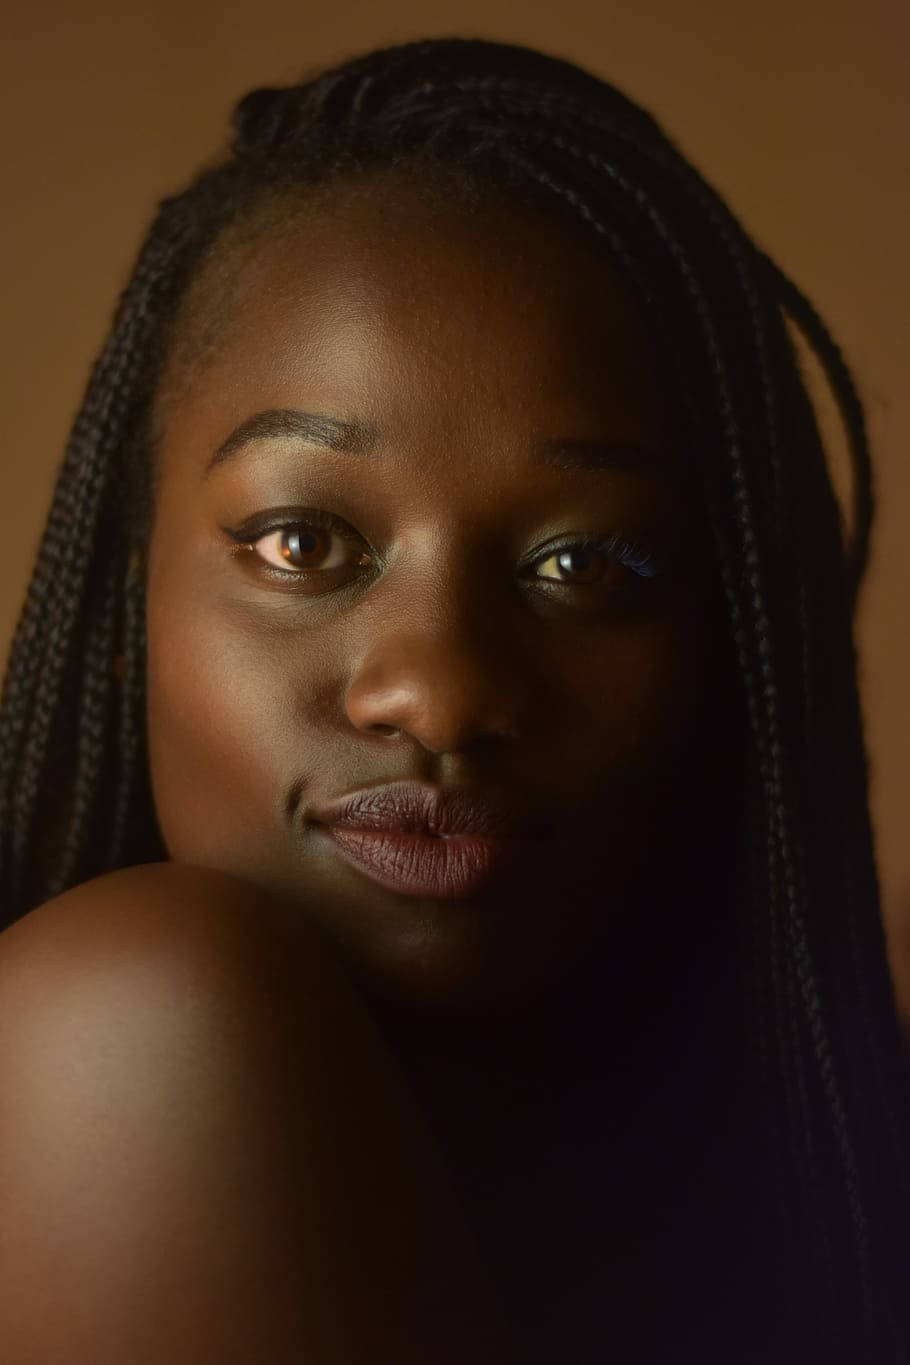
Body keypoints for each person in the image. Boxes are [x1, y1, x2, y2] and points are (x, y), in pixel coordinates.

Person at [0, 35, 907, 1364]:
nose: (439, 691)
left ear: (720, 635)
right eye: (302, 543)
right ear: (129, 598)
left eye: (581, 564)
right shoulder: (129, 1025)